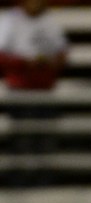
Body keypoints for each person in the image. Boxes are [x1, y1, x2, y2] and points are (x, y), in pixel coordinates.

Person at [0, 0, 68, 186]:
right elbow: (2, 57)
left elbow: (62, 54)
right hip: (20, 90)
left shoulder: (49, 21)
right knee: (23, 140)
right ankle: (21, 184)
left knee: (45, 141)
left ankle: (44, 183)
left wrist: (50, 63)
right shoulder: (10, 20)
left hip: (44, 90)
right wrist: (24, 63)